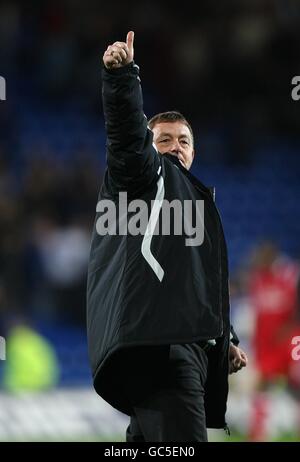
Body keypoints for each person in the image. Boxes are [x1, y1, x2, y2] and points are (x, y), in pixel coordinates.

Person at [86, 31, 248, 442]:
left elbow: (194, 281)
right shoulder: (144, 177)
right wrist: (122, 79)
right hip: (163, 349)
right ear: (150, 146)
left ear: (194, 152)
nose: (175, 146)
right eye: (164, 139)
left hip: (172, 346)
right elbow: (125, 141)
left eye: (184, 141)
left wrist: (222, 337)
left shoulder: (194, 201)